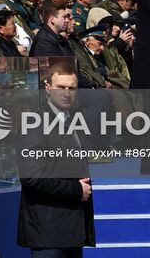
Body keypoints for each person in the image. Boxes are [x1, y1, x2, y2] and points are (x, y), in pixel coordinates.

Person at [18, 59, 95, 257]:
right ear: (47, 88)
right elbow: (32, 177)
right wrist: (75, 189)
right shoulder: (34, 123)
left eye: (72, 88)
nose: (66, 93)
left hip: (70, 230)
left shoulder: (74, 120)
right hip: (48, 232)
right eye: (60, 87)